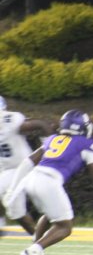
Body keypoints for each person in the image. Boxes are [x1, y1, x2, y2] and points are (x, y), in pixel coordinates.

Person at [3, 110, 93, 255]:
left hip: (32, 178)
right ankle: (35, 249)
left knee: (49, 215)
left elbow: (27, 162)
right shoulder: (86, 144)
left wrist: (13, 189)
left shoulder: (53, 139)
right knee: (65, 226)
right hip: (49, 181)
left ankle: (34, 245)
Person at [0, 95, 53, 233]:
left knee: (44, 206)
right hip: (8, 170)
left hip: (25, 167)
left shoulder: (10, 120)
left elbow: (41, 124)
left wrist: (49, 147)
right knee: (17, 213)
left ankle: (42, 236)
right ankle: (37, 238)